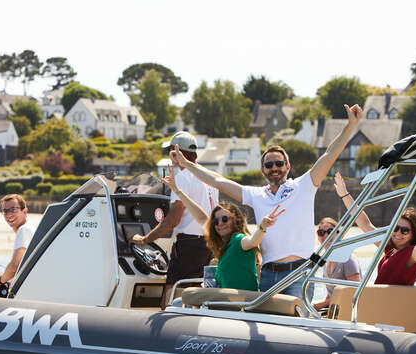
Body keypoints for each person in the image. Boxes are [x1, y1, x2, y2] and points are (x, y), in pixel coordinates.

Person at [169, 104, 363, 299]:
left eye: (279, 163)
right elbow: (218, 180)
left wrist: (350, 126)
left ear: (288, 166)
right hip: (269, 275)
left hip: (299, 274)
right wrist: (187, 164)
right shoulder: (256, 195)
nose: (274, 168)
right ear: (263, 170)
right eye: (269, 165)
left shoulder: (303, 185)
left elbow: (329, 156)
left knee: (295, 325)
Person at [130, 131, 219, 308]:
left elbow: (172, 220)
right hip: (209, 243)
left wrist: (145, 239)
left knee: (172, 293)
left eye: (170, 152)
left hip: (188, 245)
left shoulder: (183, 179)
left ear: (176, 152)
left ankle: (166, 330)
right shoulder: (208, 176)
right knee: (195, 292)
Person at [160, 164, 284, 291]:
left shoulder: (238, 239)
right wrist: (177, 191)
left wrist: (262, 227)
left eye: (225, 219)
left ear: (235, 220)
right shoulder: (223, 245)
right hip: (226, 303)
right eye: (216, 221)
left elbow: (252, 241)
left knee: (182, 298)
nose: (219, 223)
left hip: (241, 303)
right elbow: (201, 218)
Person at [333, 172, 416, 285]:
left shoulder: (412, 254)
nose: (398, 233)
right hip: (376, 303)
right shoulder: (390, 247)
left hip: (390, 309)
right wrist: (344, 194)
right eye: (395, 228)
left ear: (413, 235)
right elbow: (364, 223)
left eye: (405, 230)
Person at [312, 217, 361, 311]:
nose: (326, 235)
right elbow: (331, 293)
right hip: (336, 310)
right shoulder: (325, 261)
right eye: (321, 232)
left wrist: (320, 305)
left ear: (339, 234)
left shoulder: (347, 258)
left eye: (330, 231)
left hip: (349, 311)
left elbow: (354, 290)